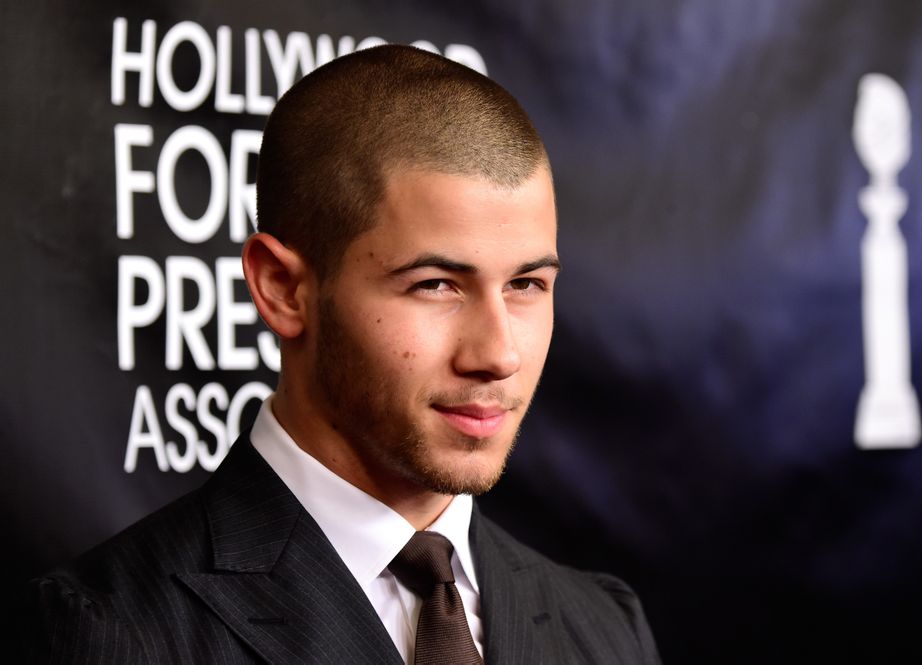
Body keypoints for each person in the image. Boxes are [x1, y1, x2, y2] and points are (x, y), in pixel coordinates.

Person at [21, 44, 661, 664]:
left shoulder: (606, 629)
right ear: (282, 289)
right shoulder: (111, 633)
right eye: (435, 285)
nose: (499, 354)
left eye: (526, 285)